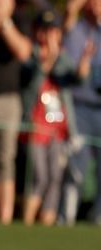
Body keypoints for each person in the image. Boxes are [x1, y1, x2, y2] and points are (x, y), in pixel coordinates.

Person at [22, 11, 73, 226]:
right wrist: (49, 57)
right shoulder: (30, 55)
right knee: (39, 177)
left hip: (57, 130)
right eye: (46, 30)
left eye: (54, 30)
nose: (50, 35)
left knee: (55, 177)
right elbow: (33, 83)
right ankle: (27, 221)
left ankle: (47, 222)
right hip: (35, 129)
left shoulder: (62, 58)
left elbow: (74, 77)